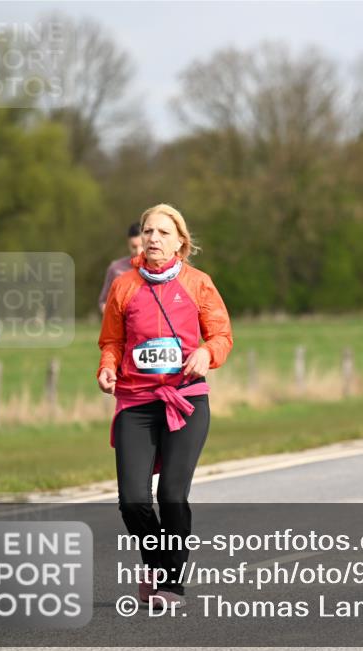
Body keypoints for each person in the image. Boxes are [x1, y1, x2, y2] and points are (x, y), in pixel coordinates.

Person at [97, 203, 232, 608]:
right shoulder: (124, 285)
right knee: (133, 500)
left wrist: (207, 354)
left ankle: (171, 583)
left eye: (162, 232)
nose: (153, 238)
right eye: (148, 231)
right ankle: (157, 563)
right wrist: (107, 367)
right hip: (136, 402)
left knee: (172, 495)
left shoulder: (198, 284)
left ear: (180, 242)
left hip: (186, 400)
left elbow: (222, 334)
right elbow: (112, 341)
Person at [98, 222, 143, 313]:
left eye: (142, 246)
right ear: (128, 244)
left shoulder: (157, 269)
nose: (138, 251)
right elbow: (104, 301)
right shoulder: (115, 268)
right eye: (134, 247)